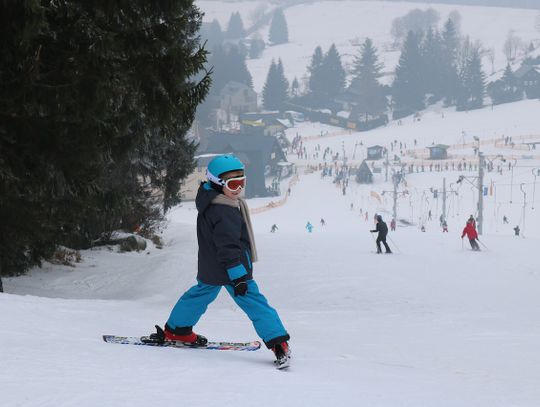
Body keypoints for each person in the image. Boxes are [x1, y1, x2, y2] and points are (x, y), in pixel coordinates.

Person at [154, 155, 290, 365]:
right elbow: (228, 247)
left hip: (212, 266)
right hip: (231, 268)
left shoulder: (210, 199)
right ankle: (278, 342)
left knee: (198, 296)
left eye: (241, 182)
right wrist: (239, 277)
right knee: (255, 303)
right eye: (232, 184)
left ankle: (177, 330)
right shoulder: (224, 210)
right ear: (217, 183)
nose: (238, 189)